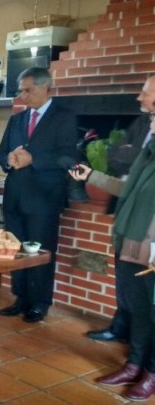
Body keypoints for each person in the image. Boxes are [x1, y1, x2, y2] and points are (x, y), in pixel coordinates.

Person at [68, 123, 155, 401]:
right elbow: (127, 188)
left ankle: (151, 374)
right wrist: (91, 175)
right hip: (133, 241)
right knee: (139, 310)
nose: (150, 123)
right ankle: (134, 365)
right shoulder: (149, 152)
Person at [0, 67, 78, 323]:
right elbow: (1, 154)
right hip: (15, 197)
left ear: (45, 87)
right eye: (21, 90)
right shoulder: (17, 119)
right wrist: (9, 160)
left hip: (44, 198)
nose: (22, 95)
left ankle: (40, 302)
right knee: (18, 251)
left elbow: (68, 157)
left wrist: (34, 159)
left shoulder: (63, 117)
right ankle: (21, 298)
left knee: (40, 252)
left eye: (28, 90)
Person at [86, 76, 155, 343]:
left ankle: (141, 350)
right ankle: (121, 327)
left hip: (148, 220)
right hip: (127, 205)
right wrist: (132, 155)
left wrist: (132, 155)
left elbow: (130, 157)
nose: (139, 97)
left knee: (143, 287)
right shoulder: (141, 122)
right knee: (124, 275)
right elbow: (115, 155)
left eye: (145, 93)